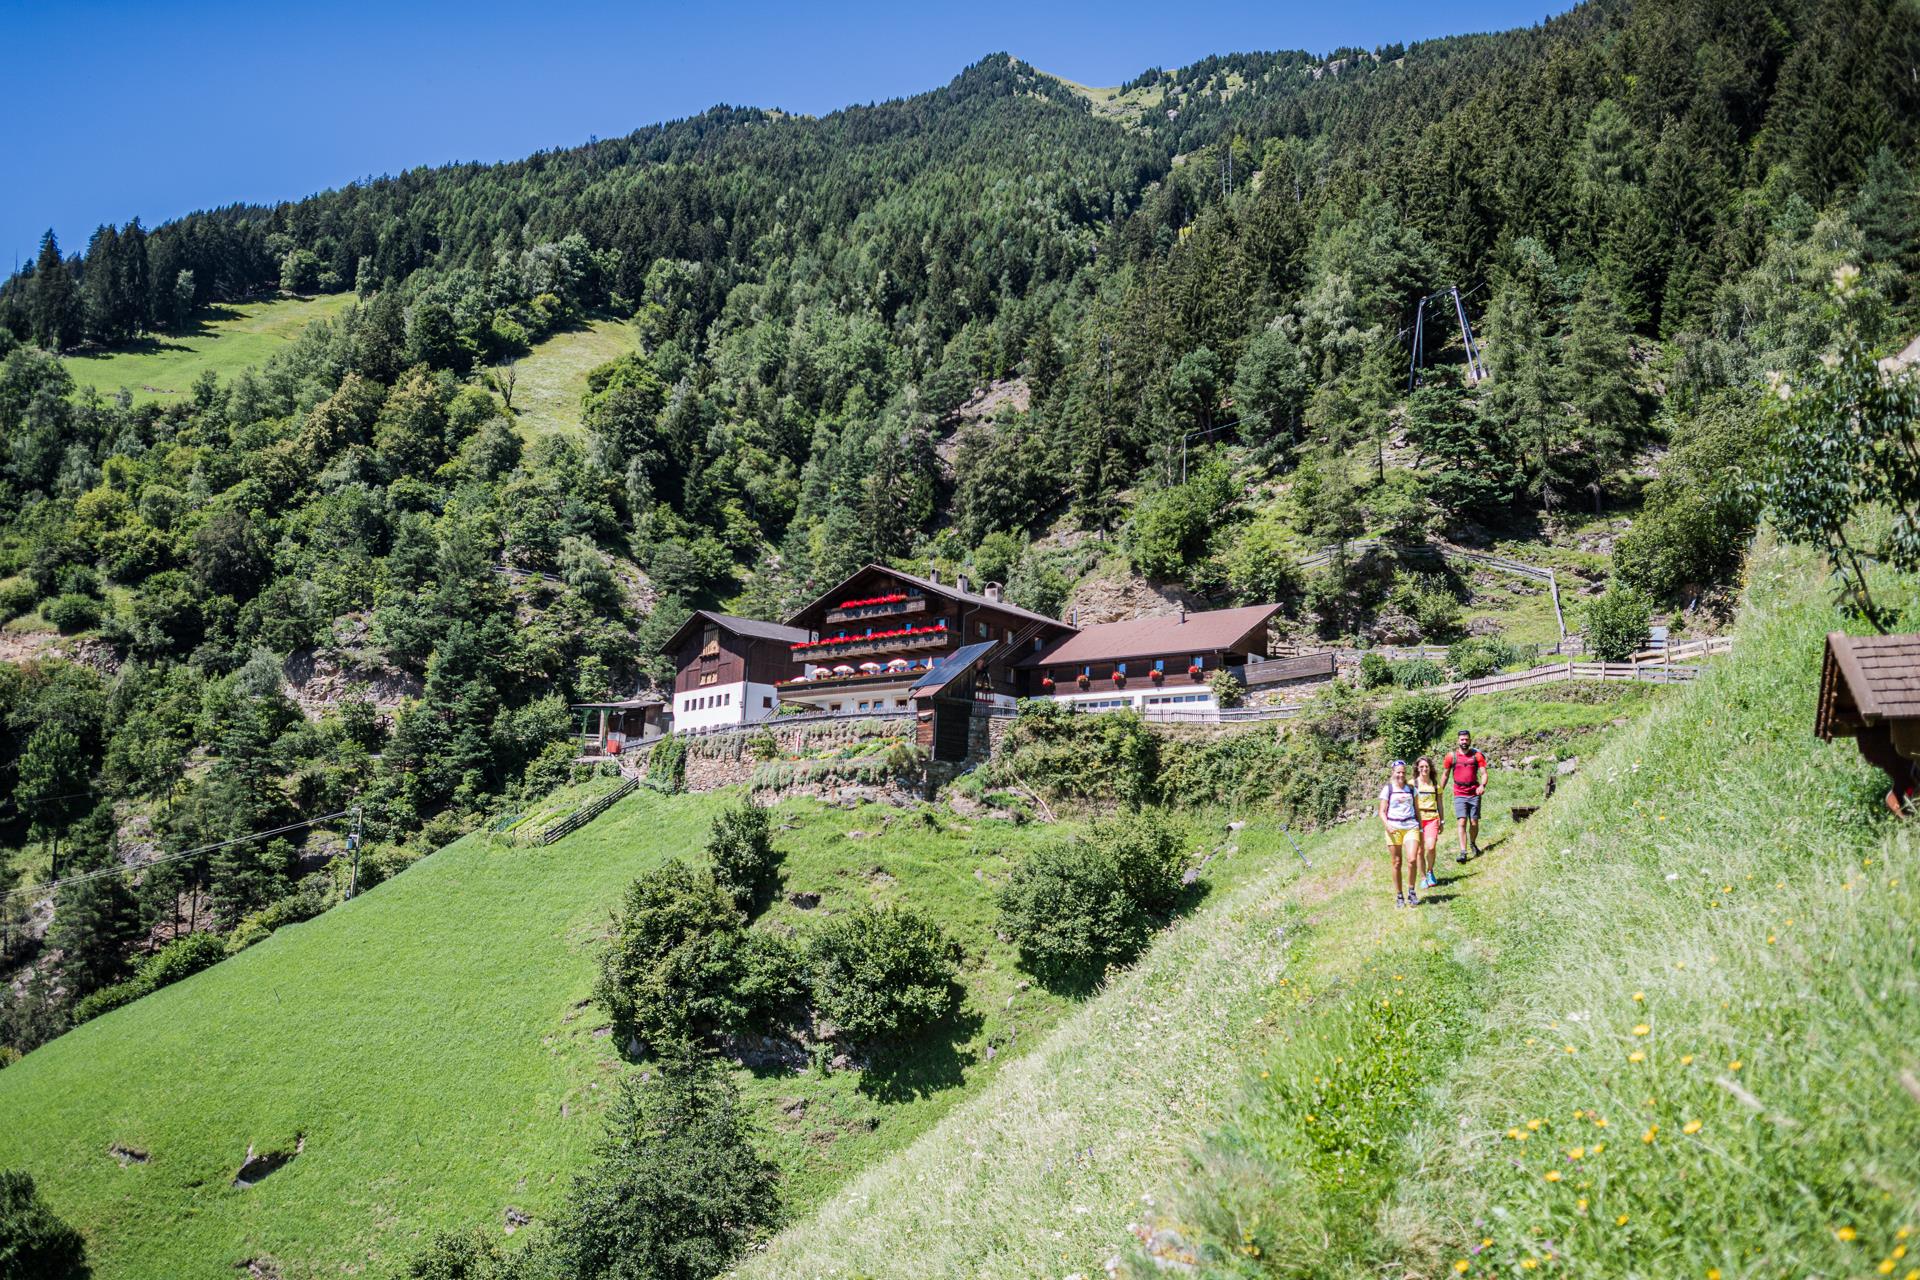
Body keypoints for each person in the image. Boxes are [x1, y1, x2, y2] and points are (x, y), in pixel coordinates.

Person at [1378, 759, 1421, 906]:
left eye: (1403, 772)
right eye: (1398, 772)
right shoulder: (1388, 789)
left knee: (1412, 859)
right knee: (1396, 862)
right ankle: (1399, 895)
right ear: (1393, 773)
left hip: (1411, 826)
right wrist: (1387, 825)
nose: (1401, 775)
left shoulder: (1411, 789)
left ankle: (1411, 891)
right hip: (1394, 828)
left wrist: (1420, 828)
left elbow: (1417, 809)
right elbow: (1382, 811)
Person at [1443, 729, 1488, 863]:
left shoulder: (1477, 755)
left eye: (1466, 739)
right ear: (1458, 741)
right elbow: (1445, 774)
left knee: (1474, 822)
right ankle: (1463, 852)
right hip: (1459, 793)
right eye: (1462, 739)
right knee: (1461, 821)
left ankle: (1473, 843)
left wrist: (1482, 786)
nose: (1464, 742)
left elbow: (1484, 773)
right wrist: (1440, 789)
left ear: (1470, 740)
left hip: (1474, 792)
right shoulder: (1451, 756)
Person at [1413, 756, 1444, 889]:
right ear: (1417, 768)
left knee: (1431, 847)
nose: (1424, 769)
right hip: (1417, 820)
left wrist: (1442, 820)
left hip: (1432, 819)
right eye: (1421, 767)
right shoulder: (1412, 784)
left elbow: (1440, 804)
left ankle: (1430, 871)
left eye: (1426, 766)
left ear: (1430, 768)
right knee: (1420, 851)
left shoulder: (1436, 786)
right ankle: (1423, 878)